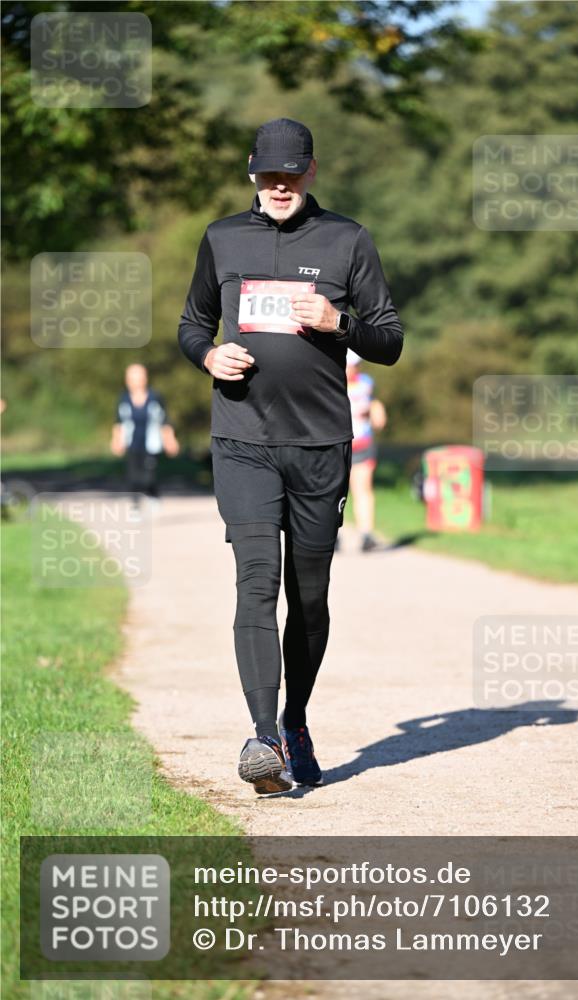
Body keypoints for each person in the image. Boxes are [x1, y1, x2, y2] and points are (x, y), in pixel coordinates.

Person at [178, 118, 403, 795]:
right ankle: (261, 736)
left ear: (309, 171)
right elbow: (192, 324)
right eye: (266, 174)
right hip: (242, 439)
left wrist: (340, 324)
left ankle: (294, 717)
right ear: (252, 171)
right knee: (255, 579)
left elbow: (389, 340)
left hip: (320, 446)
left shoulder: (347, 240)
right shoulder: (221, 238)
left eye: (290, 173)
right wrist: (208, 355)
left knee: (309, 599)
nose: (278, 185)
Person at [110, 364, 179, 506]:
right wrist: (116, 441)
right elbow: (119, 422)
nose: (135, 381)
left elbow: (164, 421)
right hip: (132, 443)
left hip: (151, 444)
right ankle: (135, 504)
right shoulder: (123, 399)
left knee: (148, 476)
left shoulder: (155, 397)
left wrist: (170, 440)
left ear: (145, 378)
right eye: (132, 378)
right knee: (133, 476)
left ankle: (153, 494)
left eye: (139, 377)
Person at [345, 349, 387, 552]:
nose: (350, 369)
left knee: (363, 489)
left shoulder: (366, 383)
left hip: (362, 442)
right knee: (335, 491)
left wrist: (377, 411)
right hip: (337, 444)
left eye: (353, 365)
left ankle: (366, 534)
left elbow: (374, 405)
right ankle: (333, 535)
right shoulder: (328, 381)